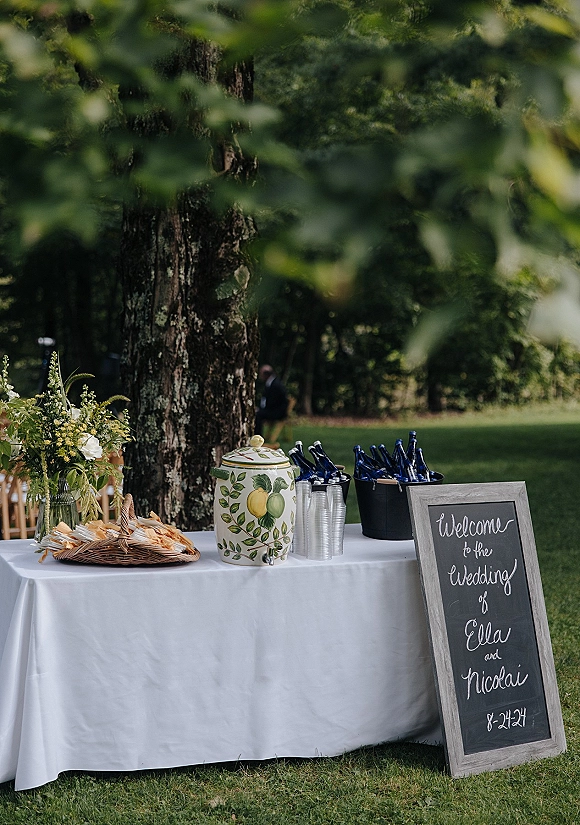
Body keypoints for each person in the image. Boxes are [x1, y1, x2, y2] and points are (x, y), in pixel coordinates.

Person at [254, 365, 289, 436]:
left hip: (277, 412)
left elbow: (273, 402)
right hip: (273, 409)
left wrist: (261, 410)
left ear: (266, 374)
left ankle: (258, 435)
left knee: (258, 415)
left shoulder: (275, 385)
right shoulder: (271, 383)